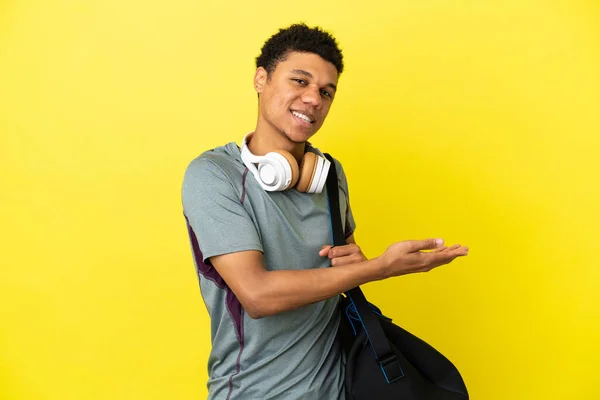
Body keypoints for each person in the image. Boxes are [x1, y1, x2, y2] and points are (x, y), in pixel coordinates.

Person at [182, 23, 468, 400]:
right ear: (261, 79)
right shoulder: (213, 175)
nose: (314, 99)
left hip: (339, 391)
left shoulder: (329, 177)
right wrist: (380, 267)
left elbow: (344, 271)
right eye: (299, 81)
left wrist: (356, 266)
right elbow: (257, 295)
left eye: (325, 92)